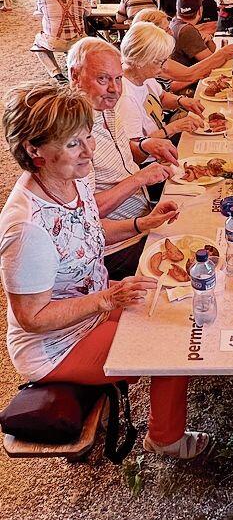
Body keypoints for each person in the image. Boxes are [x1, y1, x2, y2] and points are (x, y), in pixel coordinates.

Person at [0, 81, 209, 460]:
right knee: (171, 346)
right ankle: (166, 439)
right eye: (73, 144)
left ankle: (160, 420)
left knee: (174, 310)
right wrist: (107, 299)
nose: (88, 151)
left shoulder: (67, 179)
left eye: (87, 137)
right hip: (55, 345)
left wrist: (138, 227)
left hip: (90, 305)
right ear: (34, 150)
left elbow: (87, 230)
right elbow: (32, 318)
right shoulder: (26, 228)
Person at [68, 38, 177, 280]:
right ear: (75, 76)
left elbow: (117, 152)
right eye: (103, 79)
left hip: (143, 215)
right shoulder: (74, 136)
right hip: (115, 248)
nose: (115, 89)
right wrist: (139, 179)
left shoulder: (107, 109)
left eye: (118, 79)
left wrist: (143, 144)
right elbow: (85, 212)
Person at [117, 23, 205, 164]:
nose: (164, 66)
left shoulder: (145, 76)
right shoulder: (125, 97)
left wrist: (181, 100)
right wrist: (173, 127)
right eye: (160, 61)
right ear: (141, 61)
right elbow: (134, 154)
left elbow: (161, 96)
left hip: (165, 144)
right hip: (152, 164)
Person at [33, 0, 90, 83]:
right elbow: (87, 13)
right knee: (79, 35)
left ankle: (56, 73)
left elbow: (39, 12)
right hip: (78, 40)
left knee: (38, 40)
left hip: (55, 41)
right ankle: (74, 67)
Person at [169, 0, 216, 67]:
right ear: (200, 10)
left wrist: (209, 40)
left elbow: (211, 52)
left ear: (178, 9)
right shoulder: (187, 30)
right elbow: (212, 62)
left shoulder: (174, 23)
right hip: (188, 78)